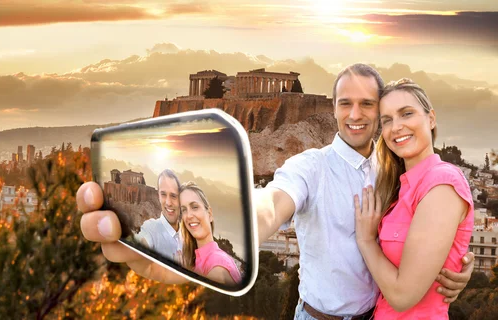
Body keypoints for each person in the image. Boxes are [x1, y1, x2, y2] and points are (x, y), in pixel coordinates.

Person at [77, 63, 475, 319]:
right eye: (345, 104)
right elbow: (271, 204)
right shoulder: (311, 166)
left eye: (369, 105)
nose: (355, 115)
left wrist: (455, 268)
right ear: (331, 108)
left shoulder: (395, 174)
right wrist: (227, 235)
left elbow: (420, 234)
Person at [354, 78, 474, 318]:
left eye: (406, 113)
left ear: (431, 119)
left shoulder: (442, 184)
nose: (396, 126)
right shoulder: (400, 187)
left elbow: (402, 296)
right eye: (387, 120)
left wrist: (366, 241)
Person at [178, 181, 242, 285]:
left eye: (194, 207)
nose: (189, 215)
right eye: (184, 210)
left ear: (210, 214)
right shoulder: (195, 260)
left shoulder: (216, 266)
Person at [134, 169, 183, 263]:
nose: (168, 203)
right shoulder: (150, 228)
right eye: (163, 194)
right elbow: (141, 244)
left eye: (173, 196)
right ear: (158, 196)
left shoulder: (188, 236)